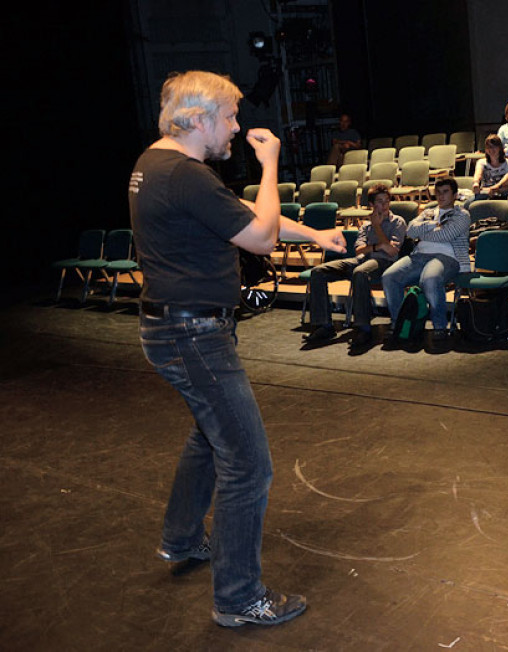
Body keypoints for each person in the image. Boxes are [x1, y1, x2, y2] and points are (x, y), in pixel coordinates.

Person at [130, 70, 346, 627]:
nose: (235, 127)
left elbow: (250, 221)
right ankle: (238, 597)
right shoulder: (186, 174)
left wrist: (317, 236)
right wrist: (271, 164)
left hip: (174, 329)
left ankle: (181, 539)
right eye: (228, 116)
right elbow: (261, 237)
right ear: (198, 119)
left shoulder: (154, 165)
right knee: (248, 466)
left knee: (209, 439)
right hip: (193, 335)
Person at [302, 183, 406, 351]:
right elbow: (359, 250)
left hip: (384, 262)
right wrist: (377, 245)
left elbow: (391, 251)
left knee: (360, 272)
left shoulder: (397, 222)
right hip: (362, 259)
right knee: (318, 271)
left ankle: (363, 328)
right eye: (380, 201)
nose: (385, 205)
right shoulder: (365, 226)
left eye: (387, 201)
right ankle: (324, 326)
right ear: (372, 205)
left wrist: (377, 227)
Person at [381, 177, 470, 341]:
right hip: (419, 256)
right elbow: (410, 231)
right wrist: (433, 225)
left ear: (455, 195)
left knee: (430, 278)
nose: (441, 196)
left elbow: (446, 235)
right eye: (438, 192)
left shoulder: (462, 214)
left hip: (448, 257)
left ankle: (439, 327)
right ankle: (399, 324)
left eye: (445, 192)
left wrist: (425, 230)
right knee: (389, 277)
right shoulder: (428, 212)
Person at [471, 134, 508, 201]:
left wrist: (495, 189)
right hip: (485, 193)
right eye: (488, 147)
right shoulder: (481, 162)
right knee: (468, 204)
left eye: (494, 146)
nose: (491, 149)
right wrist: (476, 183)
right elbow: (478, 174)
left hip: (502, 195)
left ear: (500, 148)